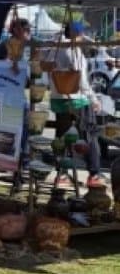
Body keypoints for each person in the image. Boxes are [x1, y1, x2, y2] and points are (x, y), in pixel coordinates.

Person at [49, 20, 103, 188]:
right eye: (81, 35)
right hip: (77, 100)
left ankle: (61, 174)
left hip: (58, 100)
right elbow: (82, 82)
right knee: (89, 136)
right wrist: (94, 100)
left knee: (62, 138)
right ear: (76, 35)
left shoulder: (54, 49)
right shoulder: (75, 52)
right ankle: (94, 174)